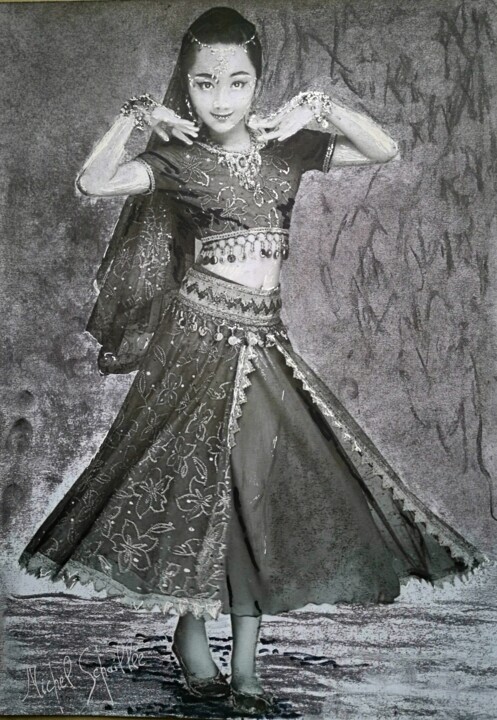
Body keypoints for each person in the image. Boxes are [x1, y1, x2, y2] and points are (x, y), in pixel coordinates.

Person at [18, 6, 488, 716]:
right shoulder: (176, 160)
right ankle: (195, 631)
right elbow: (92, 183)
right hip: (194, 347)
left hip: (263, 345)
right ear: (185, 83)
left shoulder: (286, 149)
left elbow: (383, 148)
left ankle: (242, 659)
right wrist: (136, 117)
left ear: (257, 82)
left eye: (237, 81)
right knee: (201, 492)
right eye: (203, 83)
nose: (221, 98)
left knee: (253, 497)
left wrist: (317, 106)